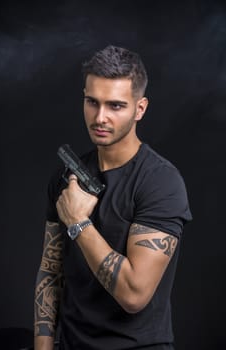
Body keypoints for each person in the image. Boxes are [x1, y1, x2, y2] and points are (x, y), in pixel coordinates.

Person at [34, 45, 192, 350]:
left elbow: (134, 295)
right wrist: (43, 346)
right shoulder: (65, 178)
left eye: (116, 106)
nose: (100, 117)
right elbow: (50, 272)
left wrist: (78, 221)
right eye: (92, 102)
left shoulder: (161, 182)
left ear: (140, 109)